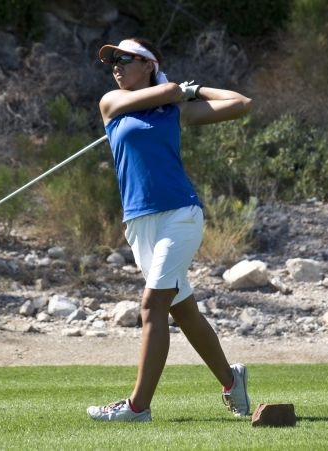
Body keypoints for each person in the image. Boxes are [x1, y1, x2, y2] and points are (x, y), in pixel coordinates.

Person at [87, 38, 254, 422]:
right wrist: (178, 90)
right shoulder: (111, 103)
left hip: (180, 214)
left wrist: (195, 90)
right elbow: (167, 89)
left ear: (147, 64)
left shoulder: (174, 111)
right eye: (112, 60)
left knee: (152, 305)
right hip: (139, 223)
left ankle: (136, 407)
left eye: (124, 59)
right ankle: (232, 381)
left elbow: (240, 103)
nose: (115, 65)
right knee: (184, 311)